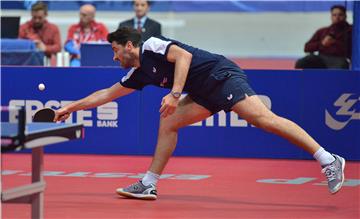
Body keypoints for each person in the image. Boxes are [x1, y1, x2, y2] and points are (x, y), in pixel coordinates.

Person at [54, 27, 346, 200]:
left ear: (130, 45)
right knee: (169, 120)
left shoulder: (152, 46)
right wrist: (70, 107)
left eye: (116, 50)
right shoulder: (138, 72)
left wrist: (175, 93)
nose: (114, 56)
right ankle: (149, 184)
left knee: (263, 120)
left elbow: (184, 56)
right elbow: (106, 94)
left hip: (220, 76)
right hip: (202, 92)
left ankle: (328, 159)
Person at [295, 5, 352, 69]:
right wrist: (322, 44)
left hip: (339, 59)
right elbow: (307, 47)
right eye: (334, 15)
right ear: (331, 17)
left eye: (340, 15)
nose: (337, 17)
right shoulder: (323, 31)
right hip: (322, 58)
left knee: (341, 65)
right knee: (303, 62)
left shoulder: (351, 31)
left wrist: (335, 43)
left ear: (345, 16)